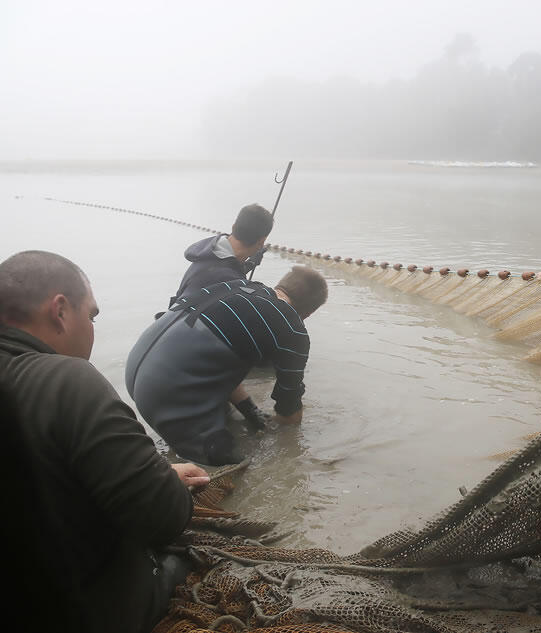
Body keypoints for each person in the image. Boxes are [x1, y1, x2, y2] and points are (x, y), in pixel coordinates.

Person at [0, 250, 210, 633]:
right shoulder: (69, 380)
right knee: (191, 559)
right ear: (60, 311)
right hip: (82, 613)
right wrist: (164, 483)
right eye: (91, 315)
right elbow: (161, 518)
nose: (93, 328)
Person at [126, 266, 328, 466]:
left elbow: (220, 365)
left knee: (231, 421)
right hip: (165, 397)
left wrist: (249, 410)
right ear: (309, 313)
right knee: (234, 467)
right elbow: (288, 408)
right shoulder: (291, 328)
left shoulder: (238, 286)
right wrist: (291, 448)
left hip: (138, 375)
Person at [170, 202, 275, 432]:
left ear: (234, 226)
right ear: (261, 241)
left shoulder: (209, 254)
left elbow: (218, 274)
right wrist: (250, 410)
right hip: (185, 368)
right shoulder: (226, 279)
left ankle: (241, 409)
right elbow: (226, 354)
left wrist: (246, 265)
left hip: (169, 345)